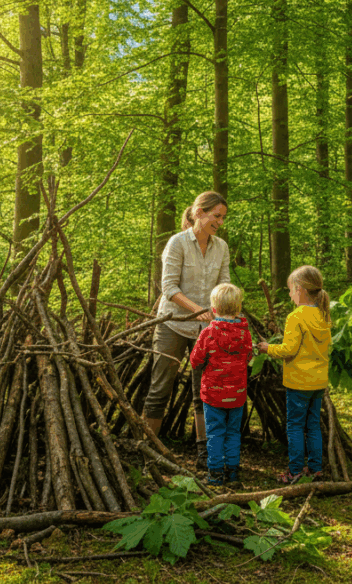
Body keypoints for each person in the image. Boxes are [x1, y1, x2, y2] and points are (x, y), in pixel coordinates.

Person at [142, 191, 230, 471]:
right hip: (173, 324)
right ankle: (148, 449)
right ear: (199, 213)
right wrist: (197, 310)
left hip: (206, 330)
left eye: (223, 217)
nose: (220, 222)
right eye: (216, 216)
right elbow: (168, 289)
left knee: (204, 391)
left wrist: (224, 310)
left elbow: (224, 286)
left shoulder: (222, 247)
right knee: (160, 387)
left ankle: (203, 452)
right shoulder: (177, 243)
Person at [258, 265, 332, 484]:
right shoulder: (323, 315)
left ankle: (295, 471)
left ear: (299, 289)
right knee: (313, 425)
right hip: (318, 382)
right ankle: (316, 469)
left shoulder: (296, 317)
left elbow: (288, 350)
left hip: (299, 383)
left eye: (291, 290)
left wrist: (267, 348)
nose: (290, 295)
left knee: (295, 427)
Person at [189, 283, 252, 486]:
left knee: (215, 434)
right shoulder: (244, 333)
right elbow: (249, 355)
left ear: (213, 309)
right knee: (233, 433)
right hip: (237, 394)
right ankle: (232, 472)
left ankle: (215, 474)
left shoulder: (208, 333)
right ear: (238, 308)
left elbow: (195, 360)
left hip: (213, 395)